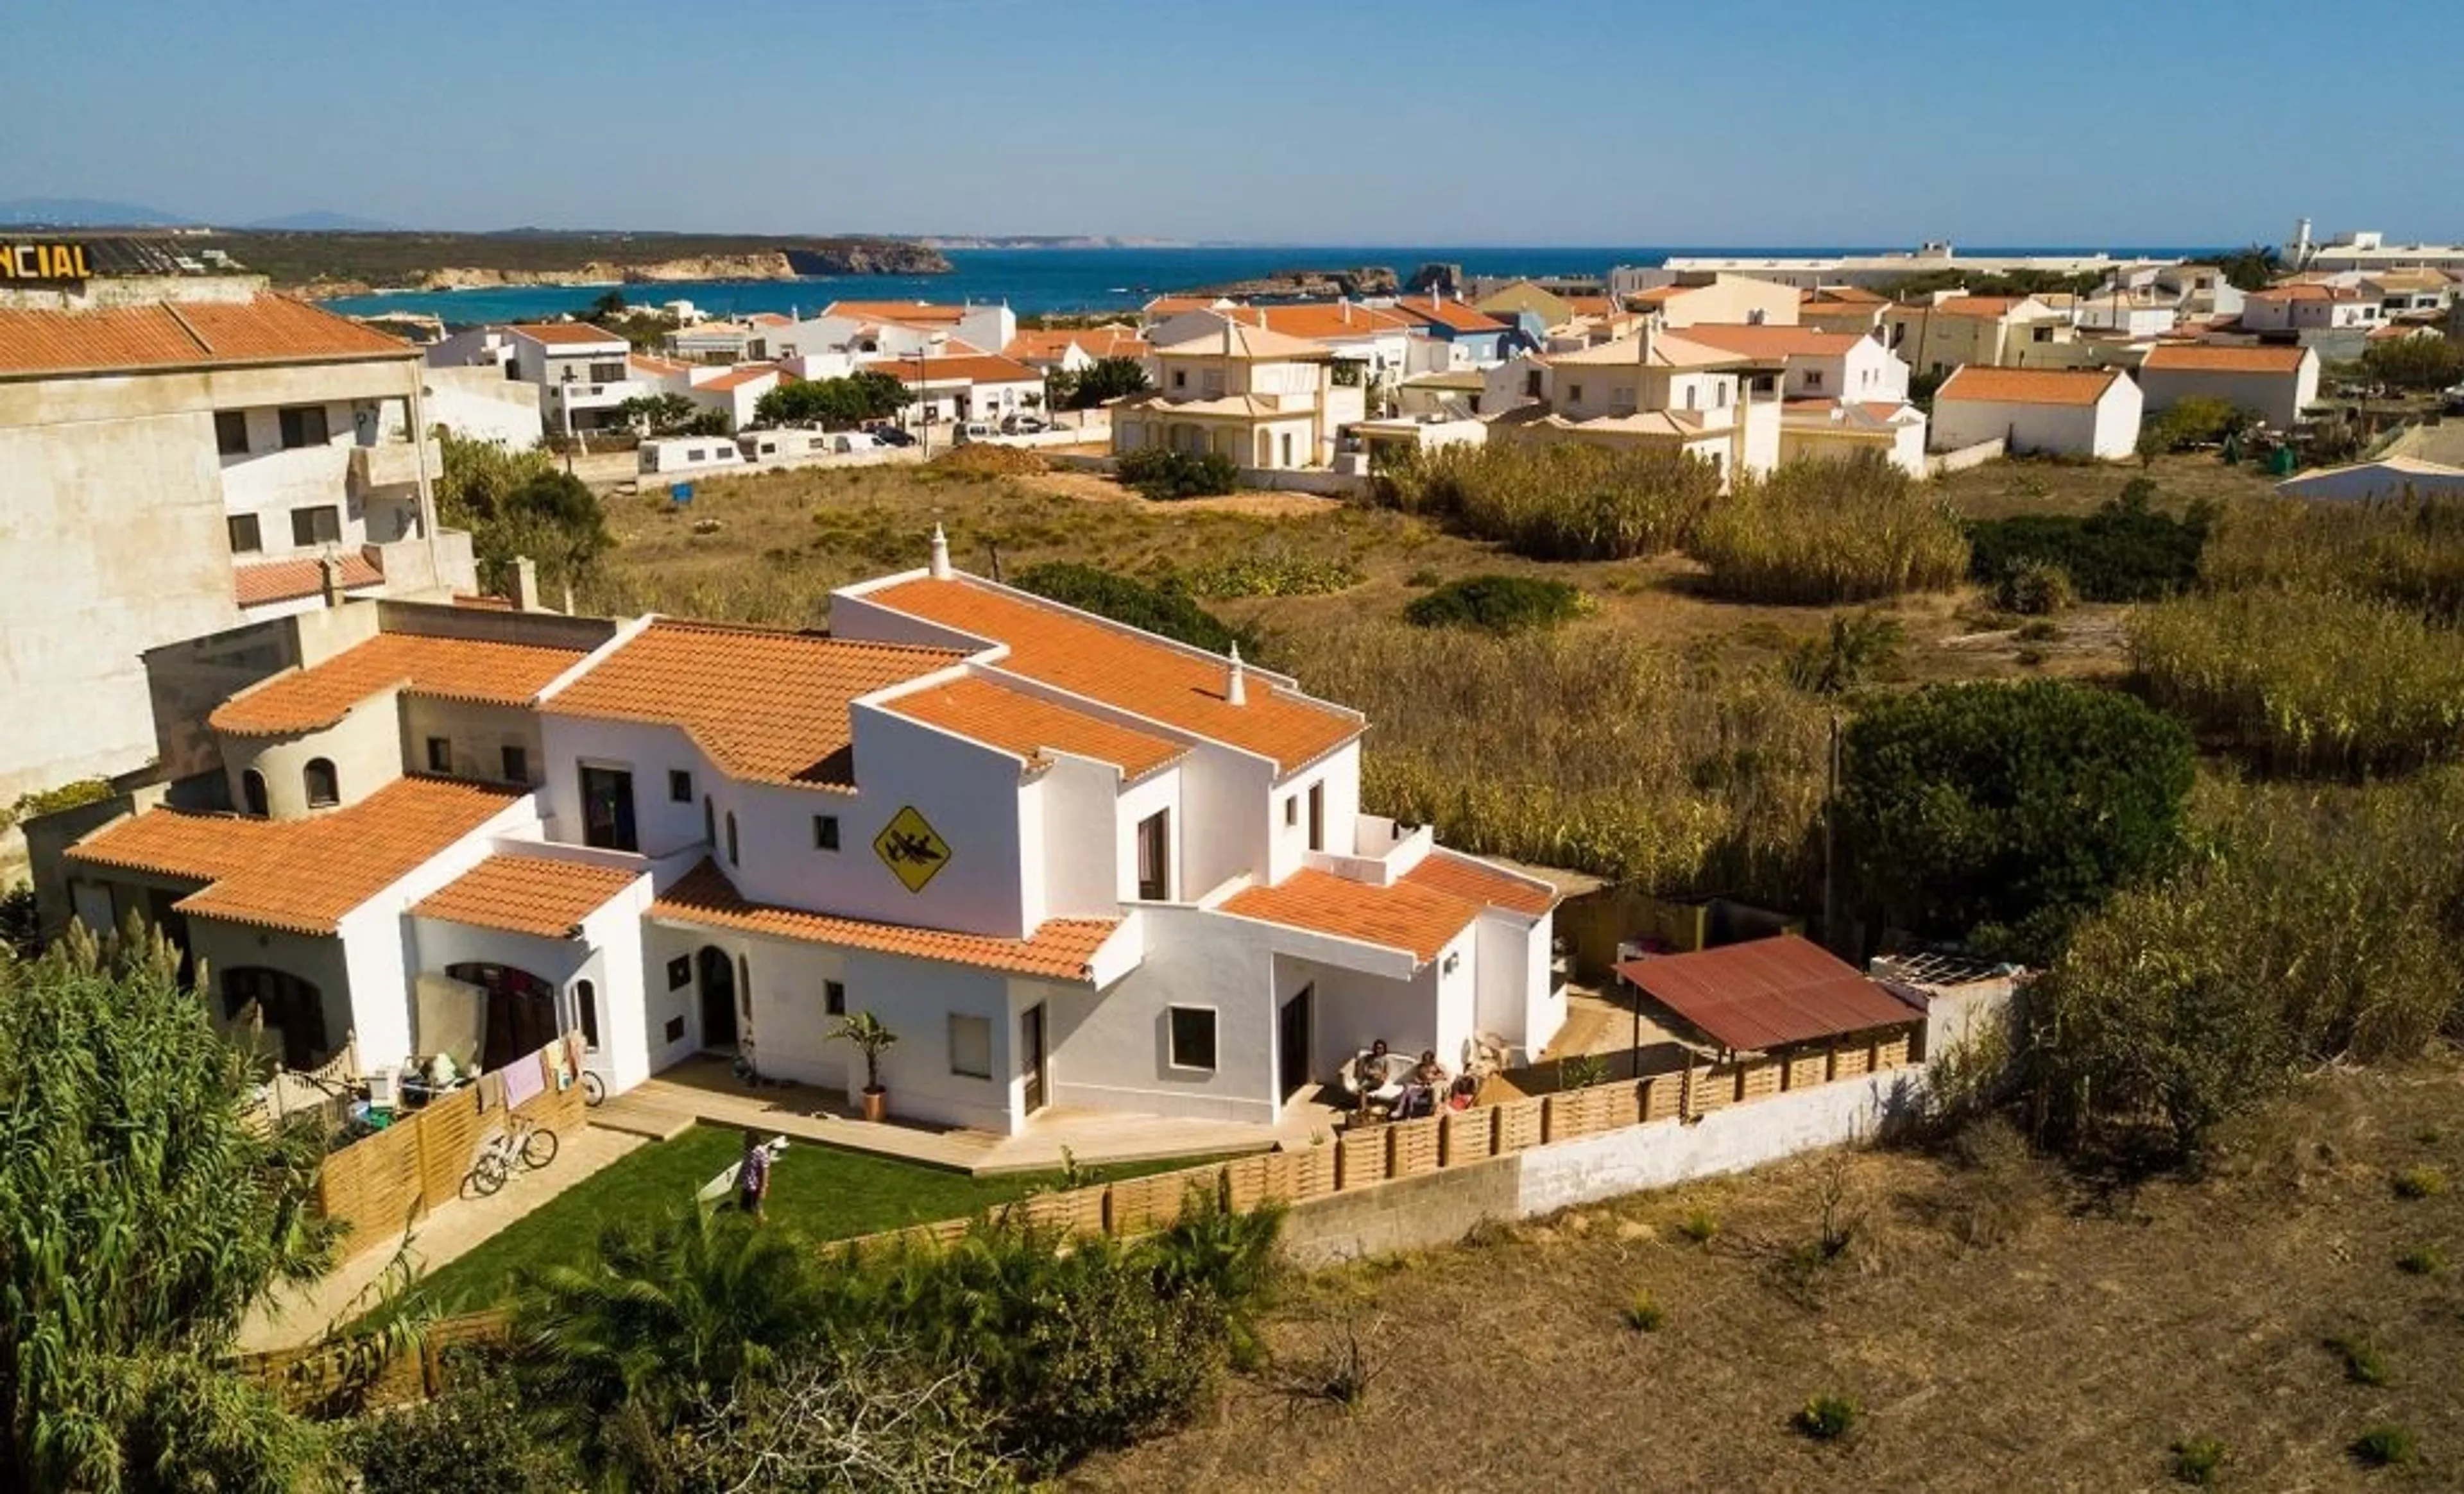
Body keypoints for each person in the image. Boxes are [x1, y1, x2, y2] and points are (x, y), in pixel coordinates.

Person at [737, 1132, 771, 1221]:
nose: (745, 1141)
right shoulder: (749, 1150)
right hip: (747, 1184)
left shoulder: (761, 1152)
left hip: (756, 1187)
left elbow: (765, 1171)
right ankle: (746, 1218)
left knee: (757, 1208)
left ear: (754, 1141)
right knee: (743, 1208)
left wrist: (763, 1188)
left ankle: (761, 1221)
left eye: (747, 1140)